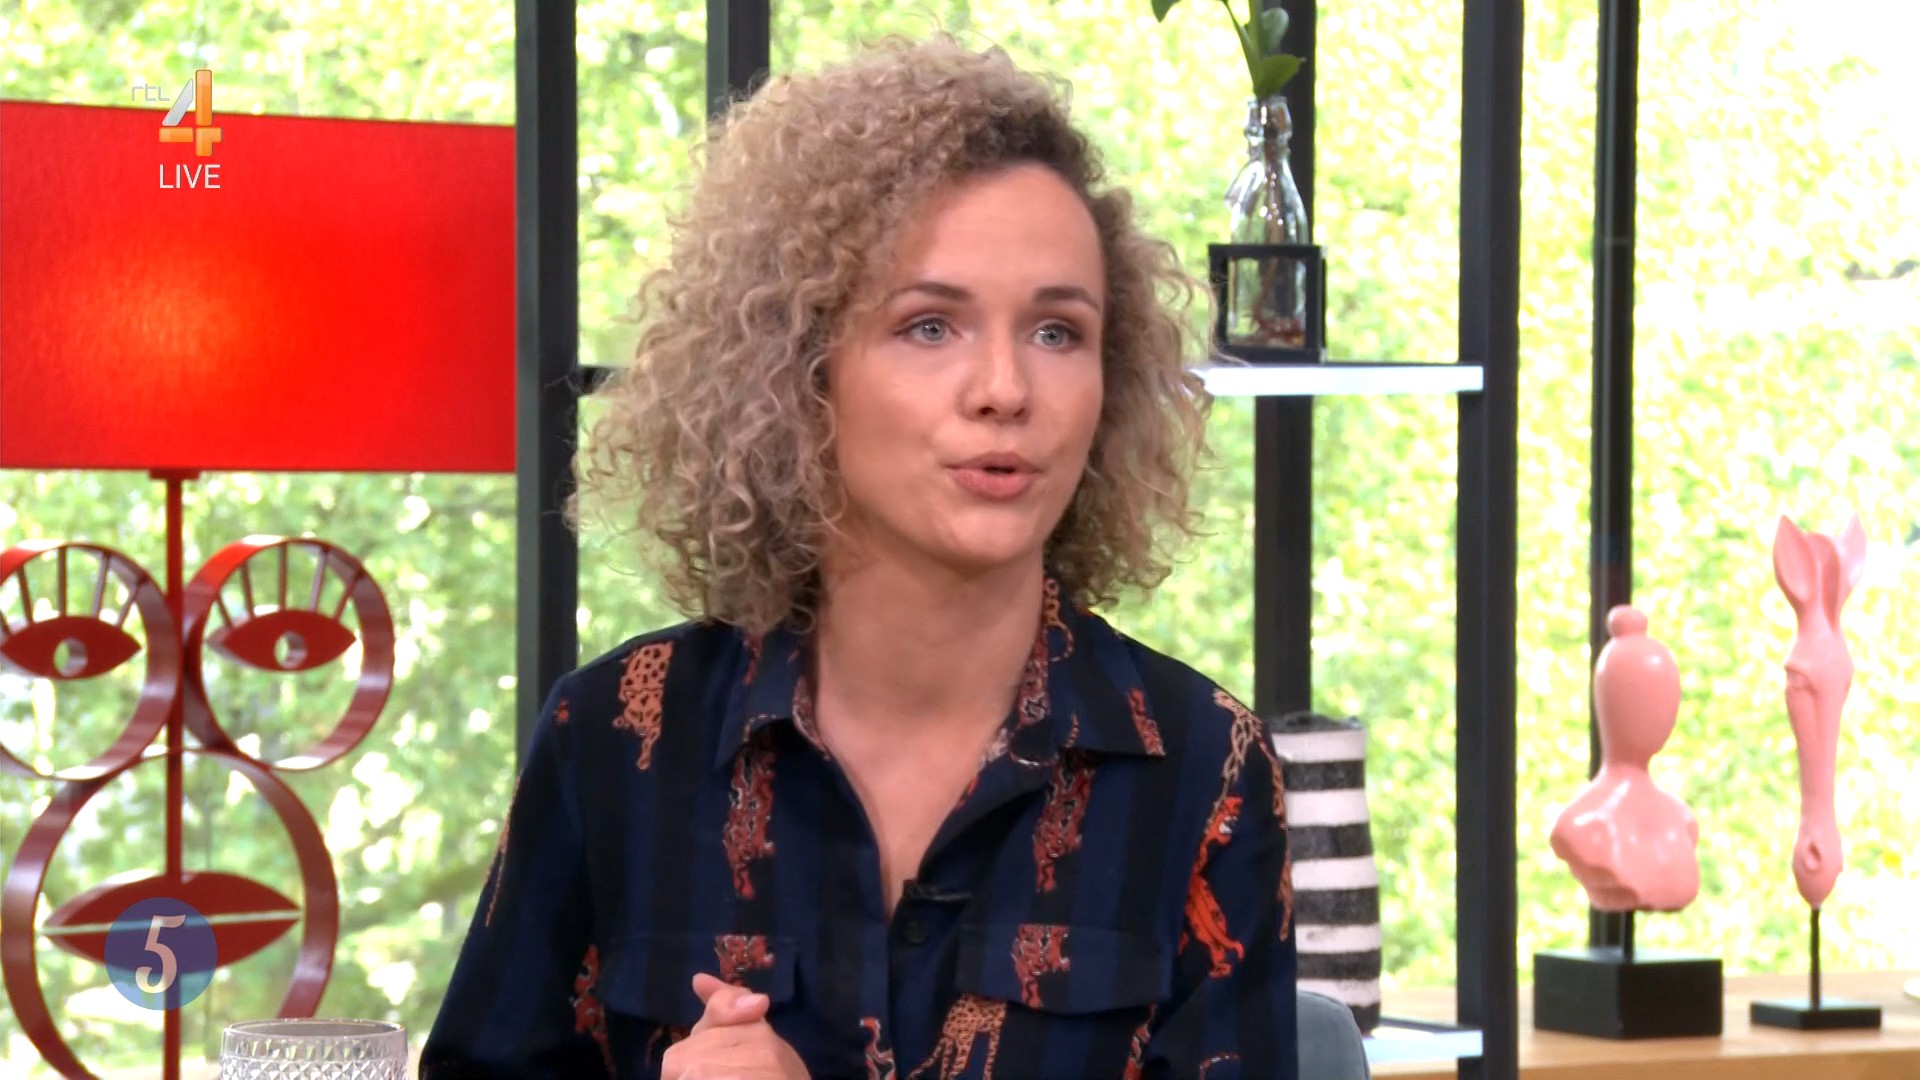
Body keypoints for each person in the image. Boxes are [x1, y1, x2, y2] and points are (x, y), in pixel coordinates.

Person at [422, 34, 1298, 1080]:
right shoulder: (615, 738)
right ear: (798, 371)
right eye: (930, 327)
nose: (1005, 390)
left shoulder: (1205, 767)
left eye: (1057, 333)